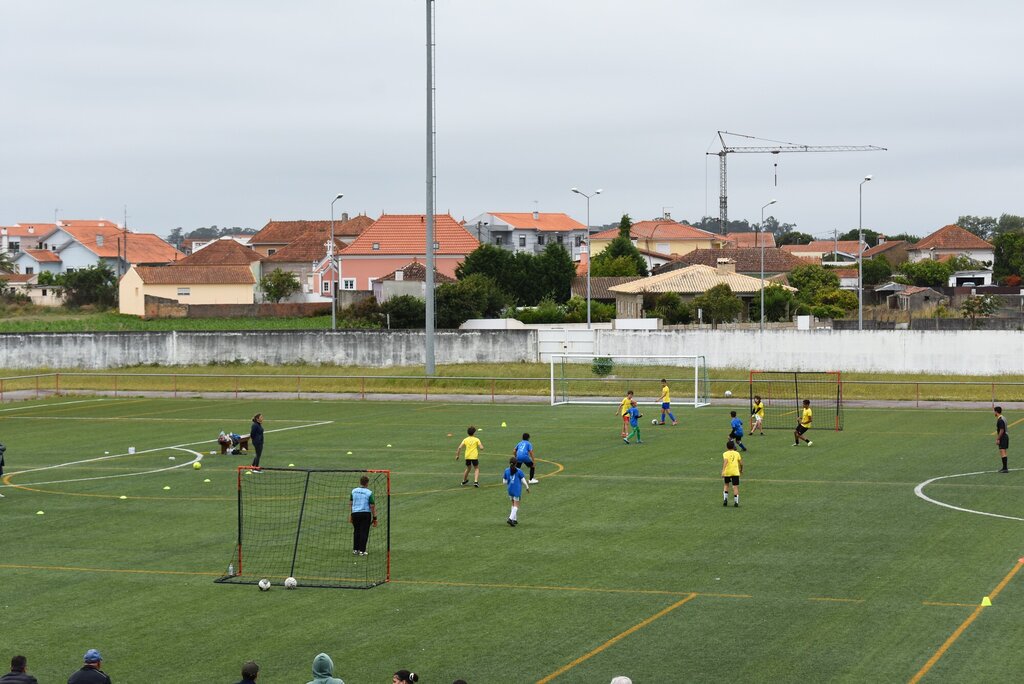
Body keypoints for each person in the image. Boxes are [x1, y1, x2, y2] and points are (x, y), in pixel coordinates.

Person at [348, 475, 378, 556]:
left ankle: (355, 549)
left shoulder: (353, 491)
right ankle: (362, 550)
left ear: (360, 482)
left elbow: (350, 503)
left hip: (355, 513)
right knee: (364, 532)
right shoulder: (369, 493)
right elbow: (372, 506)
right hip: (365, 514)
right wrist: (375, 517)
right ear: (367, 483)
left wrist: (351, 514)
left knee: (356, 531)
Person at [503, 457, 530, 526]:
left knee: (513, 504)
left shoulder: (506, 470)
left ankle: (514, 519)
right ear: (516, 463)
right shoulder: (519, 471)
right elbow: (523, 480)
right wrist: (527, 487)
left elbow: (504, 482)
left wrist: (509, 481)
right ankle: (510, 519)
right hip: (516, 490)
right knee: (516, 505)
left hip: (510, 490)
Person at [722, 439, 743, 507]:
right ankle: (736, 502)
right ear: (734, 446)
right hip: (735, 471)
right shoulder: (737, 453)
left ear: (727, 447)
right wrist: (741, 469)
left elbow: (725, 461)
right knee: (735, 486)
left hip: (727, 471)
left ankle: (725, 499)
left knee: (726, 485)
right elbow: (741, 463)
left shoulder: (725, 453)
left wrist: (723, 471)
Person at [995, 406, 1009, 473]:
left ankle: (1005, 468)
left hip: (1003, 437)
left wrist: (998, 438)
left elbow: (1002, 430)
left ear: (996, 412)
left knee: (1003, 452)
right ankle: (1004, 467)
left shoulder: (1000, 420)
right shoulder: (1003, 418)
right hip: (1005, 436)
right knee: (1003, 452)